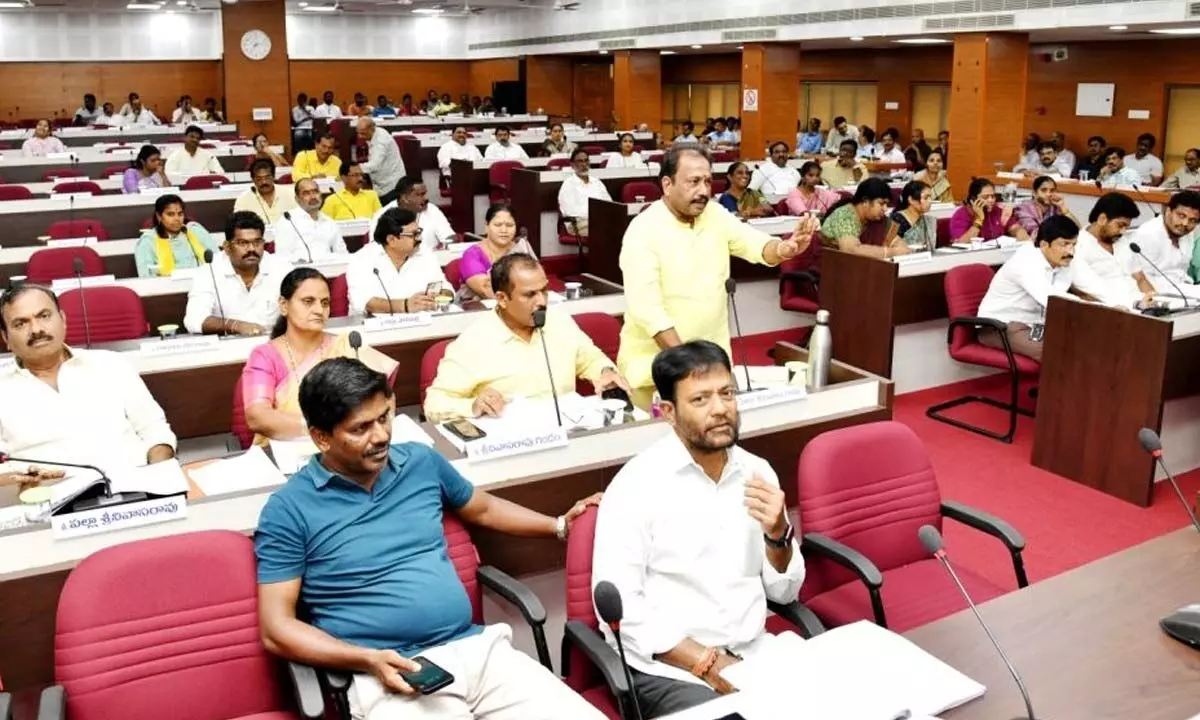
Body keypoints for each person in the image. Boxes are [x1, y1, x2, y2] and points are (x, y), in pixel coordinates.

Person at [255, 356, 607, 720]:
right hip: (390, 670)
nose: (380, 436)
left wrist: (559, 525)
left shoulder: (420, 462)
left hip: (477, 651)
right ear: (321, 437)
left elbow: (482, 508)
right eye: (360, 429)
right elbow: (277, 628)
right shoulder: (289, 510)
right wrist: (366, 659)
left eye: (383, 417)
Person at [592, 340, 803, 719]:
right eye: (701, 399)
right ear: (669, 412)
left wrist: (778, 534)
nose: (721, 409)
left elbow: (785, 593)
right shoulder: (636, 485)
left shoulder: (758, 473)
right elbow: (620, 609)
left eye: (727, 393)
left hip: (753, 652)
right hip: (671, 668)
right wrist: (706, 663)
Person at [618, 147, 815, 402]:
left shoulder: (715, 214)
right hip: (657, 370)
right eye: (694, 182)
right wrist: (688, 365)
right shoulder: (643, 230)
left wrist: (784, 248)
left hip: (713, 363)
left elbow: (754, 244)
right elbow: (648, 310)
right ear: (667, 184)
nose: (703, 191)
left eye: (708, 181)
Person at [0, 285, 176, 498]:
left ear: (63, 319)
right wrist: (16, 480)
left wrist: (159, 481)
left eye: (44, 316)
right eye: (21, 323)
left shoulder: (111, 364)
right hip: (46, 504)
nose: (36, 329)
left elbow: (154, 430)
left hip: (134, 491)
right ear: (6, 338)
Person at [424, 254, 629, 421]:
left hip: (569, 429)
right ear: (502, 299)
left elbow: (590, 358)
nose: (542, 301)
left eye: (544, 291)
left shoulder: (558, 321)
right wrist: (473, 405)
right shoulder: (473, 342)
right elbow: (434, 403)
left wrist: (606, 371)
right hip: (513, 445)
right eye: (530, 295)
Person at [241, 269, 397, 446]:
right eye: (308, 302)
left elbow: (386, 398)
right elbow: (257, 417)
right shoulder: (264, 356)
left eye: (325, 303)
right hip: (288, 452)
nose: (319, 310)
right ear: (284, 305)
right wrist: (325, 431)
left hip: (352, 448)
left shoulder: (347, 344)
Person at [977, 215, 1119, 361]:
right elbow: (1052, 298)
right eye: (1064, 244)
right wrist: (1103, 310)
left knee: (1095, 341)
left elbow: (1095, 285)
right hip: (1000, 327)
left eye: (1074, 244)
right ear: (1045, 244)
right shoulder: (1025, 262)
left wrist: (1123, 306)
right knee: (1057, 351)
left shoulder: (1067, 259)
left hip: (1037, 325)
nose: (1071, 251)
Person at [184, 211, 285, 336]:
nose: (252, 249)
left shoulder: (281, 267)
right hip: (228, 347)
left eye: (257, 242)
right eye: (243, 243)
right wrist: (236, 325)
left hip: (273, 343)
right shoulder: (208, 271)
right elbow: (194, 320)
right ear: (226, 247)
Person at [347, 207, 448, 317]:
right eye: (413, 235)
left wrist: (439, 297)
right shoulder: (362, 259)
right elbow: (363, 303)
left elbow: (446, 289)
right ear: (391, 240)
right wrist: (405, 305)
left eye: (419, 232)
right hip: (378, 327)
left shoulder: (425, 255)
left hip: (423, 323)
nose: (420, 239)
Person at [1074, 192, 1152, 307]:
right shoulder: (1077, 245)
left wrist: (1156, 301)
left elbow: (1141, 279)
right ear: (1102, 219)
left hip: (1141, 305)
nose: (1123, 231)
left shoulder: (1123, 242)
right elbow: (1084, 293)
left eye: (1126, 227)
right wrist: (1133, 306)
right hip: (1113, 309)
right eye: (1120, 225)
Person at [456, 203, 534, 303]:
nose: (504, 230)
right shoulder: (472, 255)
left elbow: (537, 282)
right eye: (498, 225)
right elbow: (486, 291)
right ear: (486, 227)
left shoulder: (521, 249)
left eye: (510, 225)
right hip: (477, 312)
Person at [1126, 190, 1200, 293]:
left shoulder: (1187, 233)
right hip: (1158, 295)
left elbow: (1182, 271)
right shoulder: (1149, 234)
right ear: (1168, 211)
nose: (1185, 223)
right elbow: (1139, 280)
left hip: (1185, 290)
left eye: (1192, 220)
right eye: (1181, 216)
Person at [819, 178, 909, 258]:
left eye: (887, 204)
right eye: (881, 203)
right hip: (831, 267)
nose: (885, 209)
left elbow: (897, 242)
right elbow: (851, 251)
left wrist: (900, 248)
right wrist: (890, 252)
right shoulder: (844, 216)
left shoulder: (877, 219)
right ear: (865, 201)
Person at [133, 193, 217, 277]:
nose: (177, 219)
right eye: (170, 214)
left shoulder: (195, 231)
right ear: (159, 216)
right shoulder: (148, 241)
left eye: (180, 214)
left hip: (202, 283)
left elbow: (217, 261)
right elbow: (146, 277)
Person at [370, 176, 455, 251]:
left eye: (425, 193)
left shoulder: (432, 210)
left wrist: (448, 244)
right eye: (420, 194)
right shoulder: (382, 215)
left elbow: (450, 237)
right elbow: (375, 247)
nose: (426, 198)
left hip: (430, 261)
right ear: (405, 198)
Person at [274, 179, 348, 263]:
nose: (313, 197)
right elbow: (282, 257)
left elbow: (342, 254)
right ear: (297, 199)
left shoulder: (329, 222)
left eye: (315, 191)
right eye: (306, 193)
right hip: (299, 272)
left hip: (328, 270)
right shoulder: (288, 220)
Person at [949, 178, 1030, 244]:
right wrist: (979, 219)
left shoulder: (997, 210)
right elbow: (962, 243)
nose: (991, 200)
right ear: (973, 199)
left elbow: (1015, 228)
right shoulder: (961, 215)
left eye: (993, 196)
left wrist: (1020, 232)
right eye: (985, 197)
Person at [557, 148, 612, 237]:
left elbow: (609, 204)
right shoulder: (568, 185)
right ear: (572, 165)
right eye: (580, 161)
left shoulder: (597, 182)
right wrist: (596, 216)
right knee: (605, 230)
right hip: (578, 224)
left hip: (599, 221)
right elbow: (571, 212)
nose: (584, 164)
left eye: (586, 161)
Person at [234, 159, 298, 226]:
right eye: (259, 179)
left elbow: (301, 219)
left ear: (273, 177)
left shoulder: (290, 194)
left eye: (267, 178)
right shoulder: (243, 199)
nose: (264, 182)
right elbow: (238, 225)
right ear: (253, 180)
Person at [1013, 175, 1079, 237]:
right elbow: (1035, 233)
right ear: (1034, 193)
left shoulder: (1055, 208)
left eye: (1052, 190)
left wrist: (1063, 208)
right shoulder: (1024, 209)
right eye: (1044, 190)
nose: (1048, 194)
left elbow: (1077, 229)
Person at [358, 116, 406, 197]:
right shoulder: (376, 132)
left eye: (363, 133)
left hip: (391, 186)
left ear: (371, 129)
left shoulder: (381, 141)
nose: (360, 136)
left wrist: (354, 168)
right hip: (383, 184)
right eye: (358, 132)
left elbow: (374, 165)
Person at [889, 181, 936, 251]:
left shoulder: (928, 220)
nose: (930, 201)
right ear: (911, 200)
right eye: (926, 198)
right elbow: (890, 246)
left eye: (930, 197)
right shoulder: (896, 219)